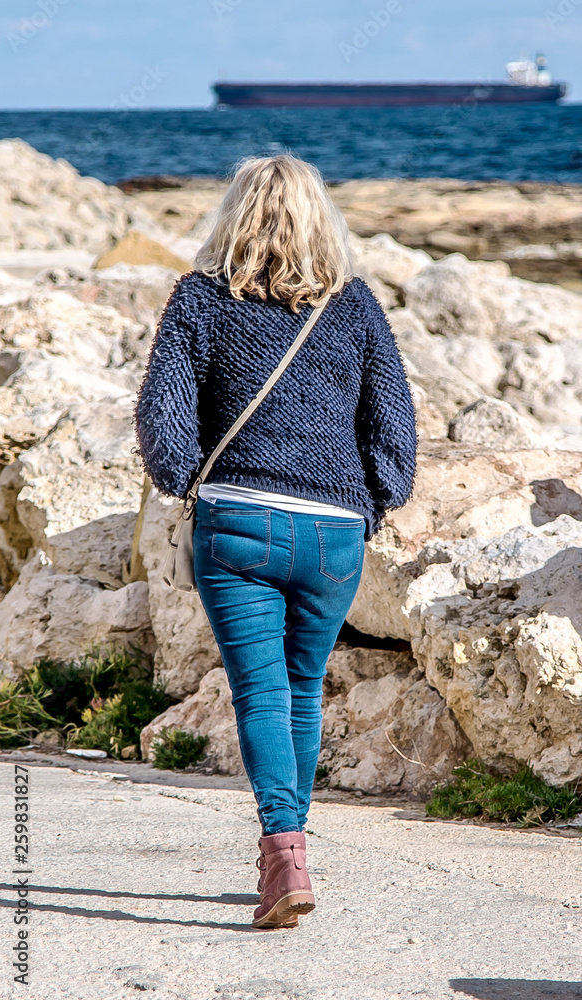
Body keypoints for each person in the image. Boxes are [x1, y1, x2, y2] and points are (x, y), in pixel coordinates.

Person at [135, 153, 417, 930]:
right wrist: (374, 503)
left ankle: (284, 857)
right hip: (333, 535)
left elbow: (163, 422)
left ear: (234, 214)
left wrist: (189, 482)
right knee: (300, 688)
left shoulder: (198, 298)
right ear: (320, 218)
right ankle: (287, 855)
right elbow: (393, 428)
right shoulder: (353, 306)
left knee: (261, 692)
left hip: (240, 523)